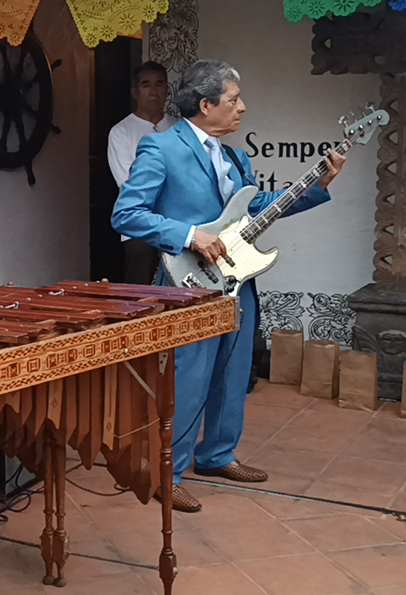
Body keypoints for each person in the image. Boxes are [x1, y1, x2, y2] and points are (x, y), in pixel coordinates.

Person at [112, 59, 346, 512]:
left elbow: (253, 209)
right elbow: (127, 214)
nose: (243, 108)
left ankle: (216, 454)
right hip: (188, 281)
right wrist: (188, 235)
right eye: (234, 100)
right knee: (190, 375)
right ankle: (168, 471)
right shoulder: (161, 149)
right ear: (205, 104)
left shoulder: (236, 156)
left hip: (237, 279)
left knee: (233, 370)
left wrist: (317, 184)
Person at [107, 61, 175, 285]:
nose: (154, 91)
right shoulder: (121, 132)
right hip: (140, 226)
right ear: (135, 92)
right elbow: (127, 183)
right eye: (146, 85)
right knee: (140, 293)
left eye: (159, 84)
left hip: (178, 223)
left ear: (167, 90)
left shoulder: (179, 128)